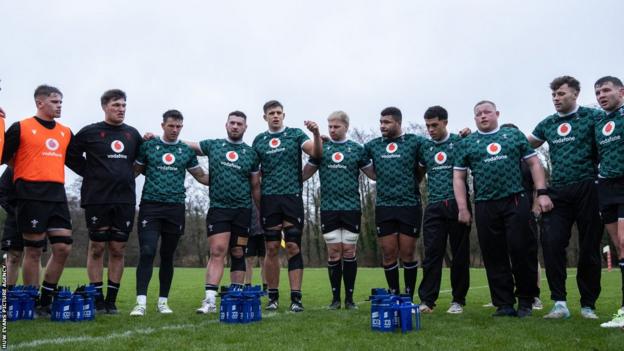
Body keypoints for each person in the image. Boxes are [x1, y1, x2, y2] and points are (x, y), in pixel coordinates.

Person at [454, 100, 552, 318]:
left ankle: (526, 300)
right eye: (478, 114)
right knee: (493, 254)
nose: (483, 116)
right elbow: (459, 177)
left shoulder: (514, 136)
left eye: (487, 112)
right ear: (474, 118)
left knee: (521, 250)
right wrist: (463, 208)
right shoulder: (467, 143)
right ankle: (504, 303)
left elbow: (535, 163)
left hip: (515, 200)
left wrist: (542, 192)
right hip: (485, 203)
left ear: (497, 113)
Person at [1, 85, 84, 316]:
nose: (59, 106)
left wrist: (109, 172)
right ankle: (30, 300)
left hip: (57, 194)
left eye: (61, 102)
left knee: (63, 247)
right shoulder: (22, 127)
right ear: (40, 103)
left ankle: (46, 298)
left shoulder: (65, 132)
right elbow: (2, 156)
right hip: (30, 194)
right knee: (34, 250)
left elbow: (79, 163)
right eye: (55, 102)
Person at [528, 76, 604, 319]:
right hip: (557, 192)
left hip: (589, 187)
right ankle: (559, 303)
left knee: (589, 247)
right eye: (553, 95)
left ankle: (588, 305)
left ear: (575, 94)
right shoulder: (548, 123)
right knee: (551, 245)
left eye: (561, 94)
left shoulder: (594, 117)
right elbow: (525, 144)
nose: (556, 99)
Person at [130, 110, 209, 316]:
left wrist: (231, 175)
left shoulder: (185, 151)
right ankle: (140, 302)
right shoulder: (148, 147)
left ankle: (163, 302)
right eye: (171, 126)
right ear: (163, 125)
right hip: (150, 206)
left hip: (175, 208)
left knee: (167, 255)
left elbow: (201, 177)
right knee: (147, 252)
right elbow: (133, 172)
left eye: (178, 126)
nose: (175, 130)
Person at [183, 111, 261, 314]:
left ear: (245, 127)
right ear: (226, 125)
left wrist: (262, 211)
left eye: (239, 124)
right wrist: (160, 138)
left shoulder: (251, 154)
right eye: (232, 123)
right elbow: (188, 145)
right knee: (218, 250)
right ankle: (209, 300)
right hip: (219, 209)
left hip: (243, 211)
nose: (235, 126)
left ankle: (235, 297)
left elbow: (255, 186)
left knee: (238, 252)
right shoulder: (214, 145)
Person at [72, 89, 142, 314]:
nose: (121, 109)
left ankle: (111, 301)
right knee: (97, 247)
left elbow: (143, 159)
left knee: (118, 248)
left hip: (124, 200)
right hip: (97, 199)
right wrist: (90, 173)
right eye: (116, 105)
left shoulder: (132, 134)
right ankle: (96, 298)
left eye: (123, 105)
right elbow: (69, 156)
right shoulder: (90, 132)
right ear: (104, 107)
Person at [252, 100, 322, 312]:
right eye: (271, 113)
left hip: (291, 198)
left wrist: (317, 134)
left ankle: (296, 299)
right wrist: (260, 203)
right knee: (271, 248)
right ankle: (272, 297)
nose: (275, 116)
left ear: (284, 115)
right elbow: (254, 177)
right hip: (269, 200)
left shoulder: (295, 134)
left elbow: (317, 154)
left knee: (292, 246)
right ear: (265, 117)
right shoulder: (259, 141)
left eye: (279, 112)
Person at [302, 111, 375, 310]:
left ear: (346, 127)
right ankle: (335, 300)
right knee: (334, 253)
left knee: (349, 251)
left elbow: (374, 175)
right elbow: (304, 174)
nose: (332, 130)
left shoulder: (356, 149)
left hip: (351, 208)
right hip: (328, 208)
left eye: (337, 127)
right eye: (330, 127)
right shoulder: (321, 148)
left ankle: (350, 300)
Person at [364, 107, 424, 300]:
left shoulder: (415, 142)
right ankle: (393, 294)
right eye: (381, 122)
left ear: (398, 122)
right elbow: (356, 158)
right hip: (384, 206)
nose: (382, 125)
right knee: (389, 253)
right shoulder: (373, 145)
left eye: (387, 122)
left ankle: (408, 297)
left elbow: (425, 164)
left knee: (407, 252)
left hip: (409, 205)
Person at [417, 106, 470, 314]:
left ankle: (458, 300)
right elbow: (420, 173)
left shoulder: (459, 142)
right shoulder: (425, 148)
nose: (430, 129)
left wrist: (469, 134)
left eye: (434, 125)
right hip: (434, 205)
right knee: (431, 254)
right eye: (428, 126)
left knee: (459, 255)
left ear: (445, 122)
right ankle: (427, 301)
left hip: (458, 204)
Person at [500, 122, 543, 311]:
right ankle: (505, 296)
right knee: (505, 254)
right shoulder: (499, 160)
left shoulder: (528, 161)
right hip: (502, 212)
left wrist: (535, 208)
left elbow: (538, 185)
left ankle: (534, 296)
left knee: (528, 254)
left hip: (525, 210)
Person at [592, 76, 624, 328]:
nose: (601, 95)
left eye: (606, 90)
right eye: (597, 92)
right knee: (620, 248)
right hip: (605, 186)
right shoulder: (597, 120)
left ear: (621, 92)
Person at [0, 167, 22, 289]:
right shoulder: (13, 167)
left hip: (37, 216)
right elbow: (1, 191)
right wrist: (14, 211)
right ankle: (5, 295)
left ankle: (32, 298)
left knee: (35, 254)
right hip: (14, 220)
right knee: (12, 256)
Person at [245, 204, 267, 291]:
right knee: (249, 260)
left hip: (264, 233)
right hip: (250, 233)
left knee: (264, 260)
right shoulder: (247, 197)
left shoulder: (264, 195)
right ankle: (247, 285)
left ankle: (266, 286)